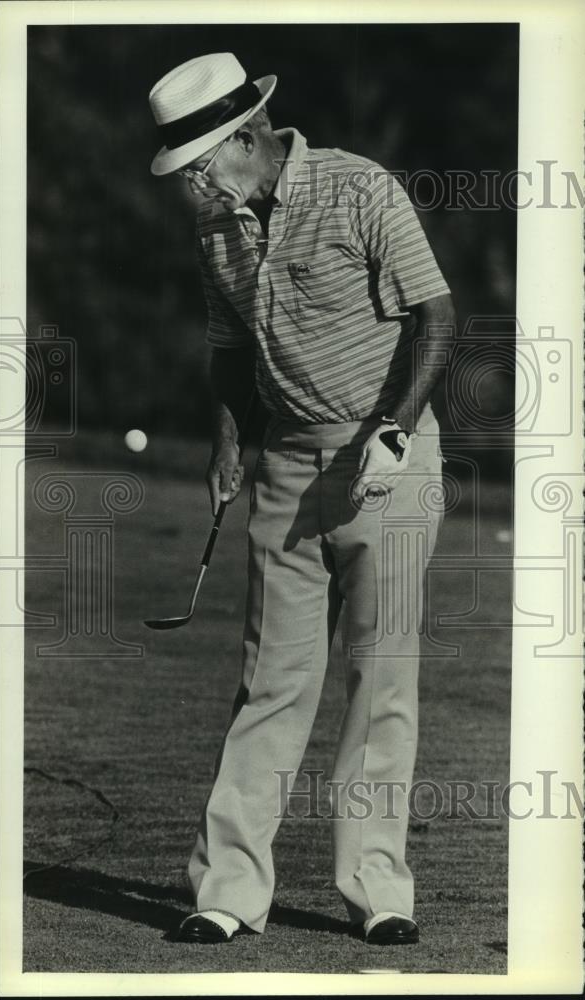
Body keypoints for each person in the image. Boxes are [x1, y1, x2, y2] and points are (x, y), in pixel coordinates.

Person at [148, 51, 455, 946]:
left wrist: (395, 427)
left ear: (247, 136)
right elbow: (229, 349)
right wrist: (228, 443)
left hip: (385, 457)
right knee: (270, 681)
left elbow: (436, 315)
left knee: (381, 676)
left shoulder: (361, 189)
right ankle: (228, 891)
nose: (193, 188)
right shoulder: (217, 226)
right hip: (285, 462)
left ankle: (377, 887)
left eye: (200, 166)